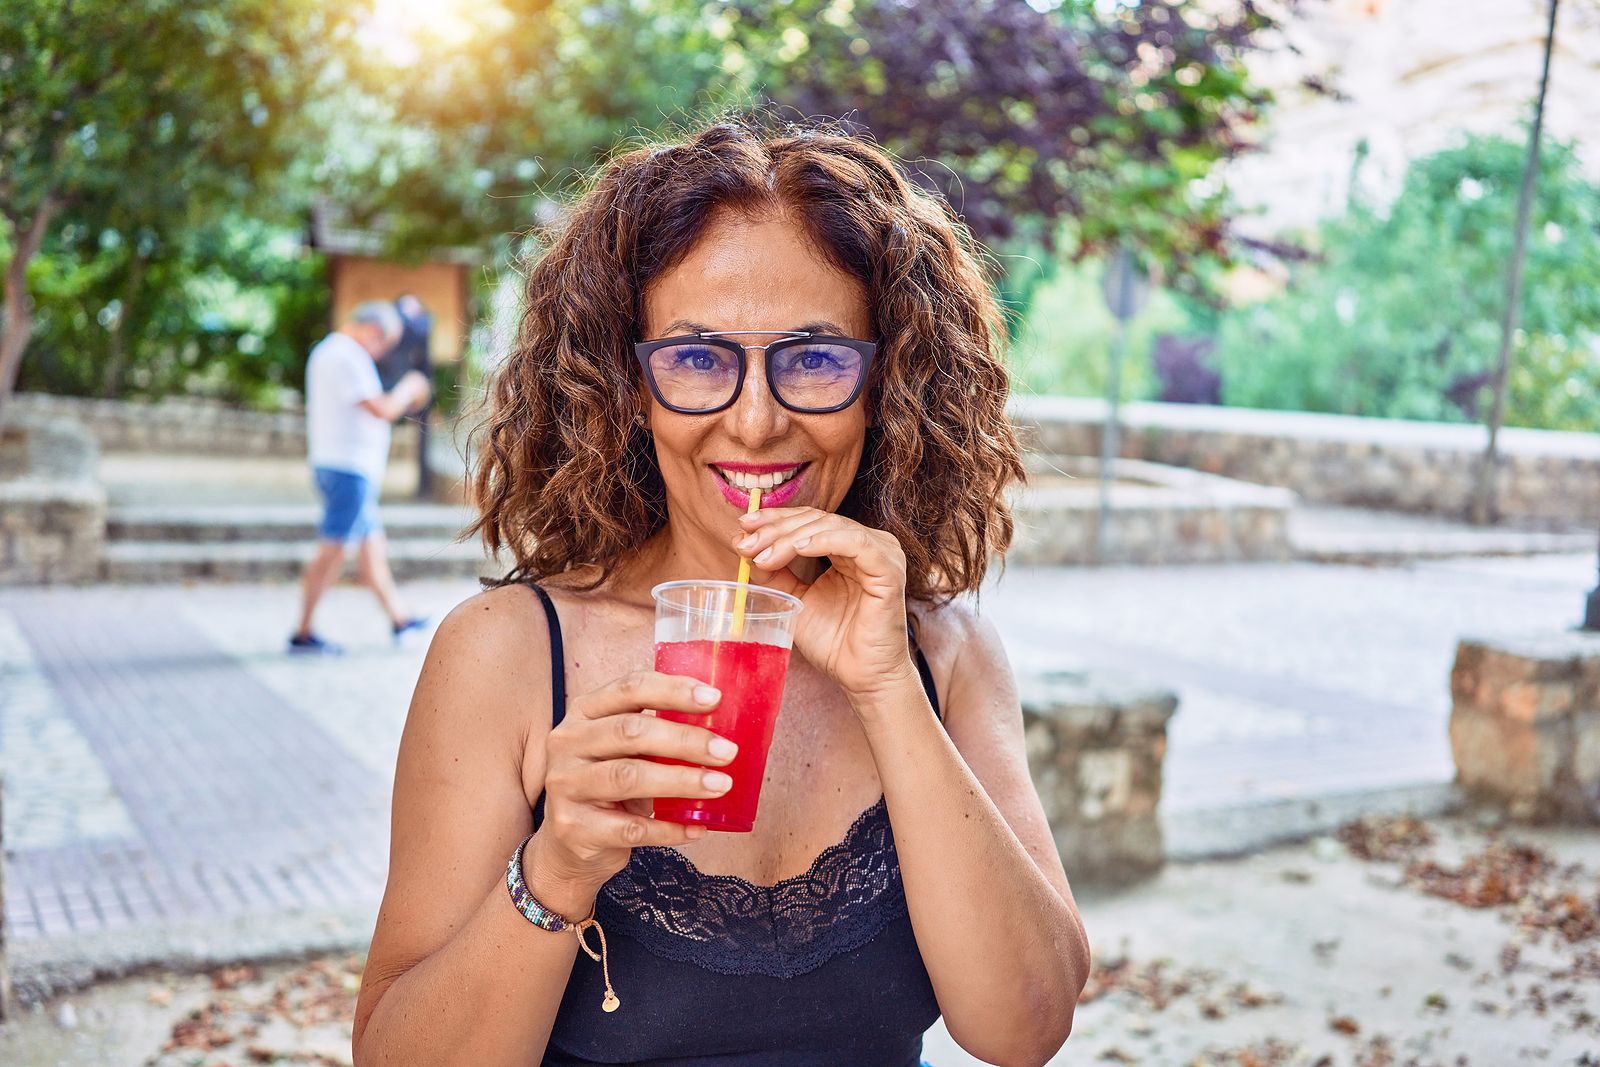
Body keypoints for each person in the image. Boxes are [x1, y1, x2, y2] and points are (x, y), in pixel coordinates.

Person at [352, 119, 1090, 1065]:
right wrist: (558, 867)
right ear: (629, 381)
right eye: (698, 358)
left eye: (814, 358)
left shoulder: (944, 657)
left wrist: (887, 690)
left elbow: (1025, 1028)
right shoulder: (505, 653)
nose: (754, 420)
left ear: (887, 379)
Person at [291, 301, 432, 655]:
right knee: (333, 550)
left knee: (372, 550)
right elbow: (382, 410)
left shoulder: (333, 352)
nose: (382, 352)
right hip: (348, 470)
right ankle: (303, 631)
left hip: (346, 467)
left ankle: (399, 618)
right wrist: (409, 388)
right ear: (373, 332)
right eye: (384, 344)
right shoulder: (344, 355)